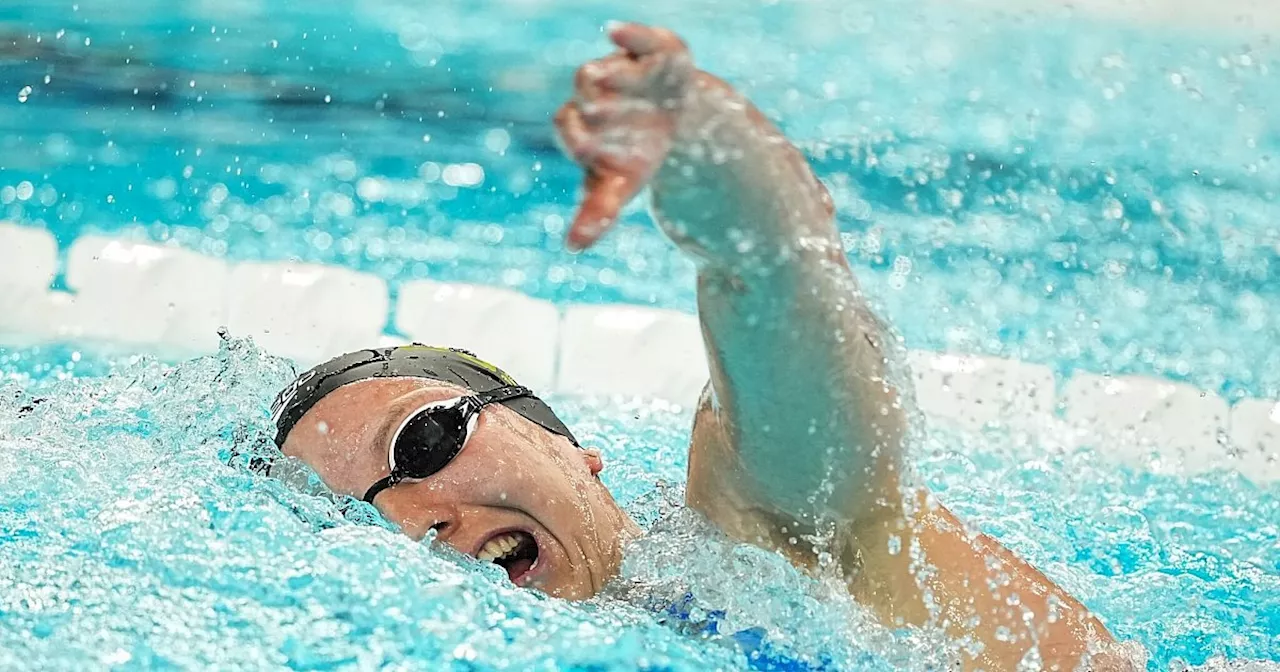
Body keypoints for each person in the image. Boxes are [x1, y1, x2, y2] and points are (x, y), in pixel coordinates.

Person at [266, 22, 1138, 671]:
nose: (417, 522)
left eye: (425, 441)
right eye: (359, 521)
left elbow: (790, 321)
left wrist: (730, 194)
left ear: (564, 443)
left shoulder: (757, 529)